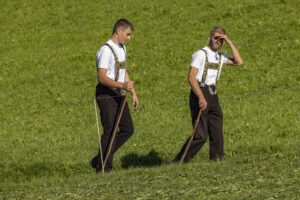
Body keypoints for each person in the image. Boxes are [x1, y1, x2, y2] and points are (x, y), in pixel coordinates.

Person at [172, 27, 243, 163]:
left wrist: (229, 42)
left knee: (217, 132)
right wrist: (200, 97)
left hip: (213, 95)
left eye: (221, 39)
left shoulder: (221, 56)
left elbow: (239, 62)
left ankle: (216, 162)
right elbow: (191, 77)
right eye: (216, 38)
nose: (218, 41)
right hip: (200, 92)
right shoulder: (200, 54)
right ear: (209, 37)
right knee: (200, 135)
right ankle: (179, 161)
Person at [90, 19, 138, 173]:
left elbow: (123, 71)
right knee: (110, 130)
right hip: (106, 93)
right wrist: (122, 86)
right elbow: (101, 77)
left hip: (119, 92)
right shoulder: (105, 50)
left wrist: (132, 91)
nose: (129, 38)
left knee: (127, 129)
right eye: (128, 34)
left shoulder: (122, 48)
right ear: (118, 30)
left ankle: (100, 159)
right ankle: (104, 169)